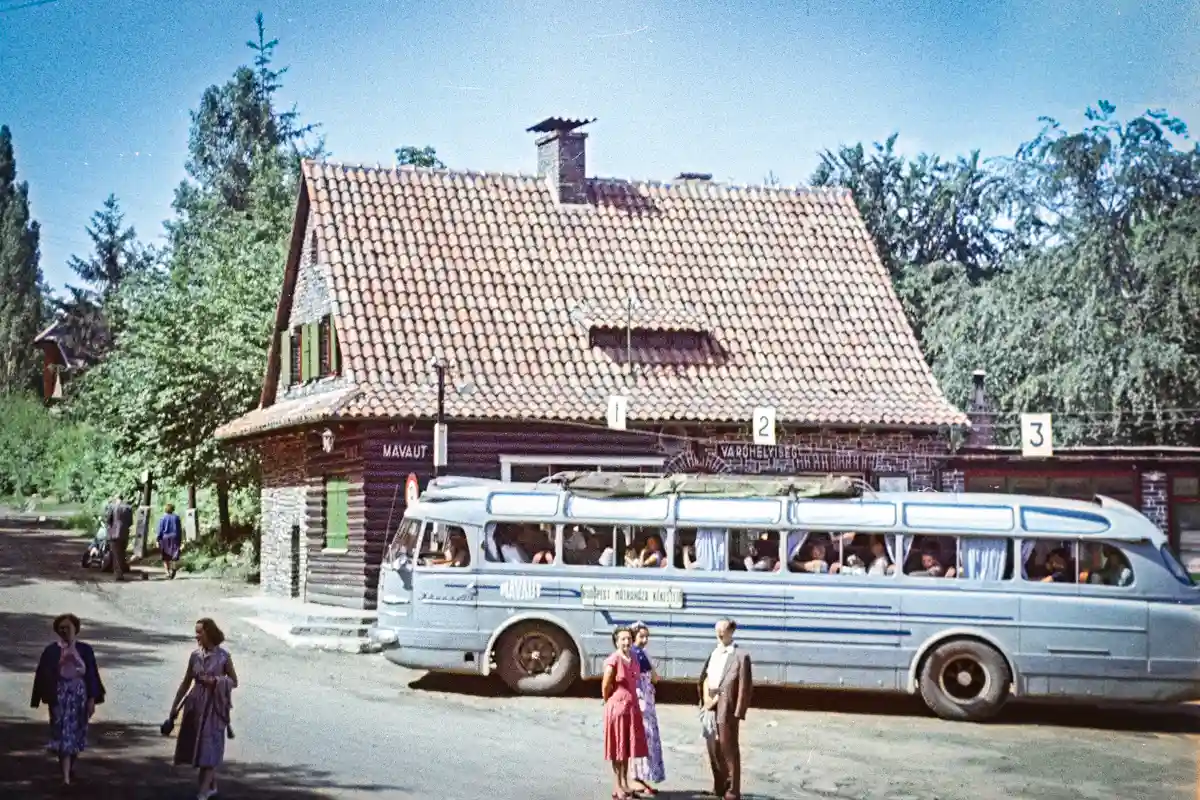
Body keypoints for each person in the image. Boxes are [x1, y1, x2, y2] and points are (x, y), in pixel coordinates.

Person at [30, 613, 106, 787]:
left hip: (79, 696)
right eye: (61, 628)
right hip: (59, 696)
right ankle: (65, 777)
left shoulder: (85, 650)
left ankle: (69, 766)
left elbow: (92, 675)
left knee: (77, 732)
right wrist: (44, 699)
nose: (64, 630)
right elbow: (42, 675)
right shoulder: (51, 651)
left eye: (68, 627)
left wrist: (92, 699)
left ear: (75, 629)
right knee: (62, 733)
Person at [169, 618, 239, 800]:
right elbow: (186, 683)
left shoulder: (224, 657)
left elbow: (234, 681)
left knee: (209, 748)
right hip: (195, 707)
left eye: (199, 632)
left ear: (209, 633)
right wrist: (174, 707)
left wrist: (216, 681)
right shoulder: (195, 656)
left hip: (215, 708)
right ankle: (212, 785)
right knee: (200, 748)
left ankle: (202, 793)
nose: (196, 636)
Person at [698, 618, 753, 800]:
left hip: (727, 707)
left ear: (732, 631)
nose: (720, 632)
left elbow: (745, 685)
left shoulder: (740, 655)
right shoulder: (714, 652)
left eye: (724, 629)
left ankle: (732, 790)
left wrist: (739, 711)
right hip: (709, 705)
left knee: (728, 749)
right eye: (717, 629)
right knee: (713, 749)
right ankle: (719, 786)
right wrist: (706, 699)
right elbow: (705, 677)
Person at [602, 626, 647, 799]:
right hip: (618, 708)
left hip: (632, 706)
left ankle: (625, 784)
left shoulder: (633, 657)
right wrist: (612, 702)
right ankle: (617, 786)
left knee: (627, 748)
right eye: (622, 639)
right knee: (618, 748)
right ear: (616, 641)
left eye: (628, 638)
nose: (626, 642)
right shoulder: (613, 660)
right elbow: (606, 685)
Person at [630, 623, 665, 796]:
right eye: (641, 636)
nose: (645, 640)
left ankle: (641, 776)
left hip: (646, 698)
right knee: (643, 737)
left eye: (646, 637)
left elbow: (655, 677)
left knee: (647, 737)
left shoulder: (642, 653)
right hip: (641, 700)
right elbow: (651, 677)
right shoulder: (635, 653)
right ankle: (636, 778)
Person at [107, 494, 134, 581]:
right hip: (125, 533)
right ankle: (122, 570)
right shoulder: (128, 508)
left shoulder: (113, 507)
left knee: (116, 554)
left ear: (116, 499)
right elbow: (130, 522)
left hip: (114, 533)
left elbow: (108, 520)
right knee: (122, 553)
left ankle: (119, 574)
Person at [157, 503, 184, 579]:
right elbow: (179, 529)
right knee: (174, 554)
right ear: (173, 509)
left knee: (165, 556)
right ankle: (174, 569)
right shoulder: (176, 518)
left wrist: (158, 539)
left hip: (165, 538)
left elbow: (160, 530)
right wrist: (180, 539)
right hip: (175, 537)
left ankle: (167, 572)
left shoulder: (163, 518)